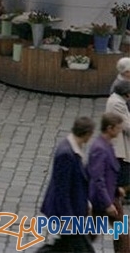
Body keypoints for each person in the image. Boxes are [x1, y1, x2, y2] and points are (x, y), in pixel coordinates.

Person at [40, 116, 95, 252]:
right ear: (87, 134)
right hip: (67, 216)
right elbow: (61, 190)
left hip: (73, 213)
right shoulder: (66, 154)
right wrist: (68, 219)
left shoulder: (73, 149)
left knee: (64, 248)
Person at [88, 112, 126, 253]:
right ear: (109, 128)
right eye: (117, 128)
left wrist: (117, 189)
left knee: (120, 233)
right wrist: (108, 203)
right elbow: (98, 178)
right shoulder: (100, 148)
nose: (119, 130)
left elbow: (108, 173)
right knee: (120, 233)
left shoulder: (106, 144)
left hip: (110, 196)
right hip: (103, 200)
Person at [105, 78, 130, 190]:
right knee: (123, 173)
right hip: (120, 144)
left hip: (120, 142)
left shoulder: (117, 100)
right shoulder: (118, 104)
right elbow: (127, 126)